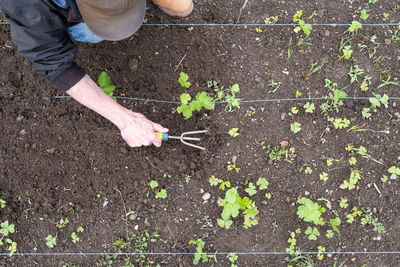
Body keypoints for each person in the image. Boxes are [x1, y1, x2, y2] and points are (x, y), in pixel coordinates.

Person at [0, 0, 194, 148]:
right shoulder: (28, 6)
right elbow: (53, 62)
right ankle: (83, 19)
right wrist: (127, 121)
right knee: (91, 33)